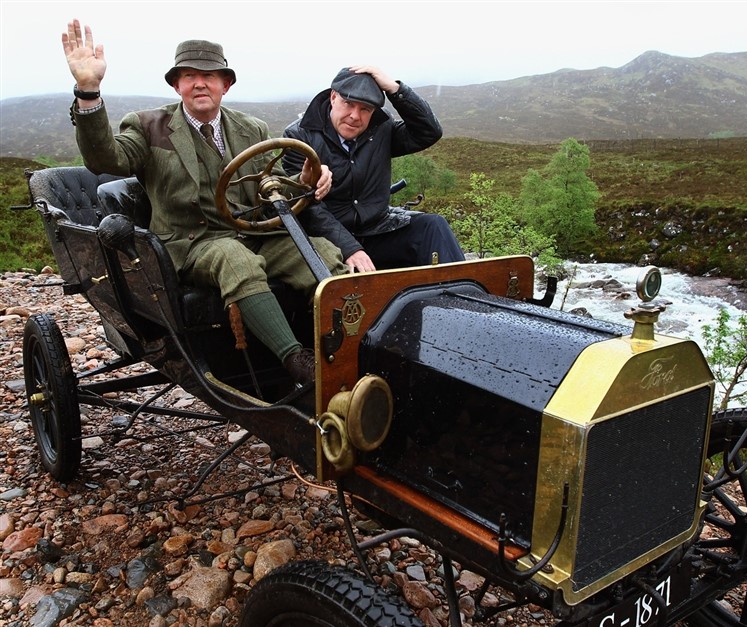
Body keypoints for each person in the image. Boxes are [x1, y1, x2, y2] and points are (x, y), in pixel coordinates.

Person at [61, 20, 348, 388]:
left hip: (251, 233)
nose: (200, 83)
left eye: (210, 76)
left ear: (225, 85)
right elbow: (105, 159)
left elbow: (268, 188)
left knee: (320, 251)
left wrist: (309, 181)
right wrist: (88, 91)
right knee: (234, 258)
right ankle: (297, 361)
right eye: (190, 75)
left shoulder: (252, 129)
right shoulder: (150, 126)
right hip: (192, 244)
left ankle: (348, 351)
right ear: (176, 84)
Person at [282, 66, 465, 272]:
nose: (355, 116)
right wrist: (350, 248)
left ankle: (463, 296)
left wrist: (396, 89)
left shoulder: (380, 127)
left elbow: (428, 132)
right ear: (333, 97)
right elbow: (306, 208)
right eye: (348, 104)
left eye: (365, 109)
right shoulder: (298, 137)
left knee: (434, 227)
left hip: (378, 230)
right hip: (327, 239)